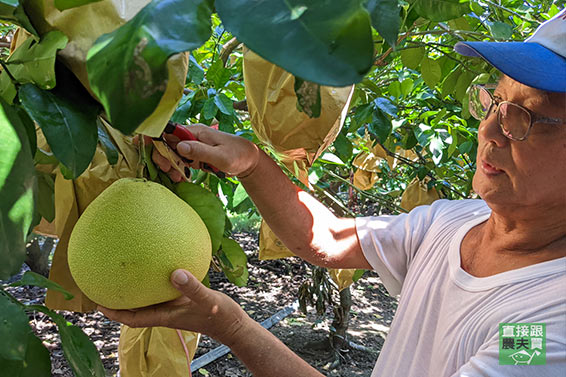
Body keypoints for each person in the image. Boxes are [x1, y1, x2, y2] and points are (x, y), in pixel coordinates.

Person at [100, 10, 566, 377]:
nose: (489, 129)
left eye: (525, 117)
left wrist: (234, 327)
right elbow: (329, 239)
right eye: (494, 101)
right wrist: (251, 162)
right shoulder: (450, 223)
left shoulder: (547, 324)